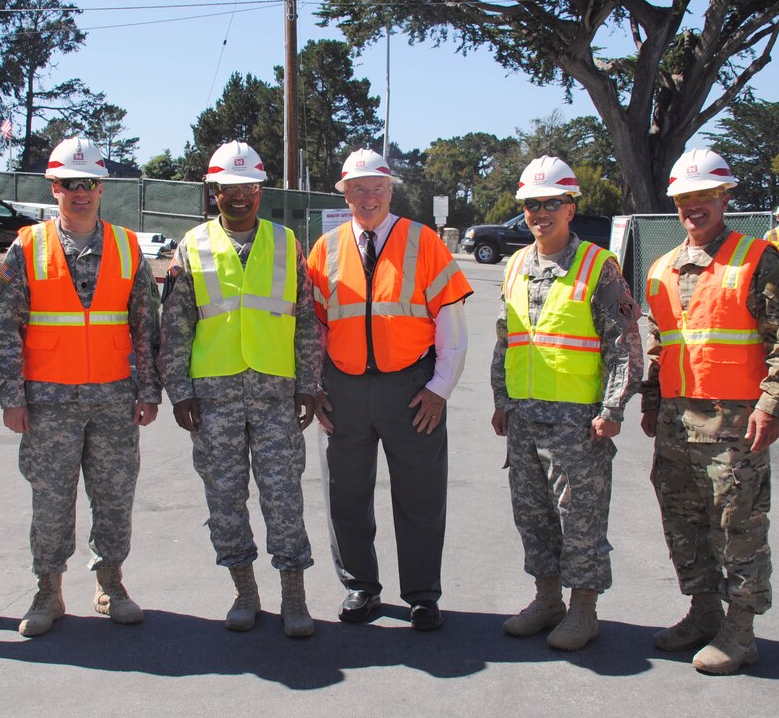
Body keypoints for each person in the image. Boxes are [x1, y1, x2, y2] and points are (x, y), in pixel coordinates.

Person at [641, 148, 779, 674]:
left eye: (704, 195)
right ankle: (702, 612)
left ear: (724, 197)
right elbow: (660, 344)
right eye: (684, 197)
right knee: (684, 524)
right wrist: (651, 402)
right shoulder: (663, 268)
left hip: (735, 426)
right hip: (675, 424)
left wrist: (773, 405)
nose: (694, 206)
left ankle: (740, 632)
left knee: (737, 526)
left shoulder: (757, 258)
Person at [0, 136, 162, 637]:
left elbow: (146, 327)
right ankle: (48, 591)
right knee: (51, 500)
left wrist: (149, 391)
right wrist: (11, 398)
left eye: (88, 183)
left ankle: (111, 584)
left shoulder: (128, 247)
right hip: (48, 403)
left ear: (101, 187)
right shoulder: (28, 246)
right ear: (54, 187)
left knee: (113, 496)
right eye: (69, 183)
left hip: (113, 399)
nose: (79, 193)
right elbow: (4, 328)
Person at [307, 148, 473, 631]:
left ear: (390, 190)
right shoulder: (327, 248)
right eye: (358, 189)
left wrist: (440, 388)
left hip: (411, 390)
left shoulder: (423, 242)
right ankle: (361, 587)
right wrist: (314, 386)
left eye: (377, 187)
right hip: (344, 391)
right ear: (345, 194)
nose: (368, 196)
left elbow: (451, 323)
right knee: (345, 494)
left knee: (421, 494)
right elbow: (313, 328)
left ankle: (422, 595)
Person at [159, 141, 320, 638]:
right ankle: (244, 592)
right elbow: (176, 325)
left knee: (283, 497)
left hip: (275, 395)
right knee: (225, 498)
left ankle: (294, 595)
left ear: (260, 190)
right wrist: (179, 389)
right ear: (214, 193)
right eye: (227, 189)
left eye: (247, 187)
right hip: (215, 398)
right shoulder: (192, 245)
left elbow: (307, 320)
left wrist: (309, 383)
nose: (238, 197)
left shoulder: (286, 243)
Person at [490, 157, 643, 651]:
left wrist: (612, 408)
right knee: (532, 515)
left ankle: (583, 610)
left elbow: (625, 344)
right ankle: (547, 598)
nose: (540, 213)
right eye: (532, 205)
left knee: (579, 518)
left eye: (551, 203)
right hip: (525, 418)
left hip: (579, 423)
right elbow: (505, 339)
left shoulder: (598, 267)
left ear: (570, 207)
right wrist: (501, 400)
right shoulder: (514, 265)